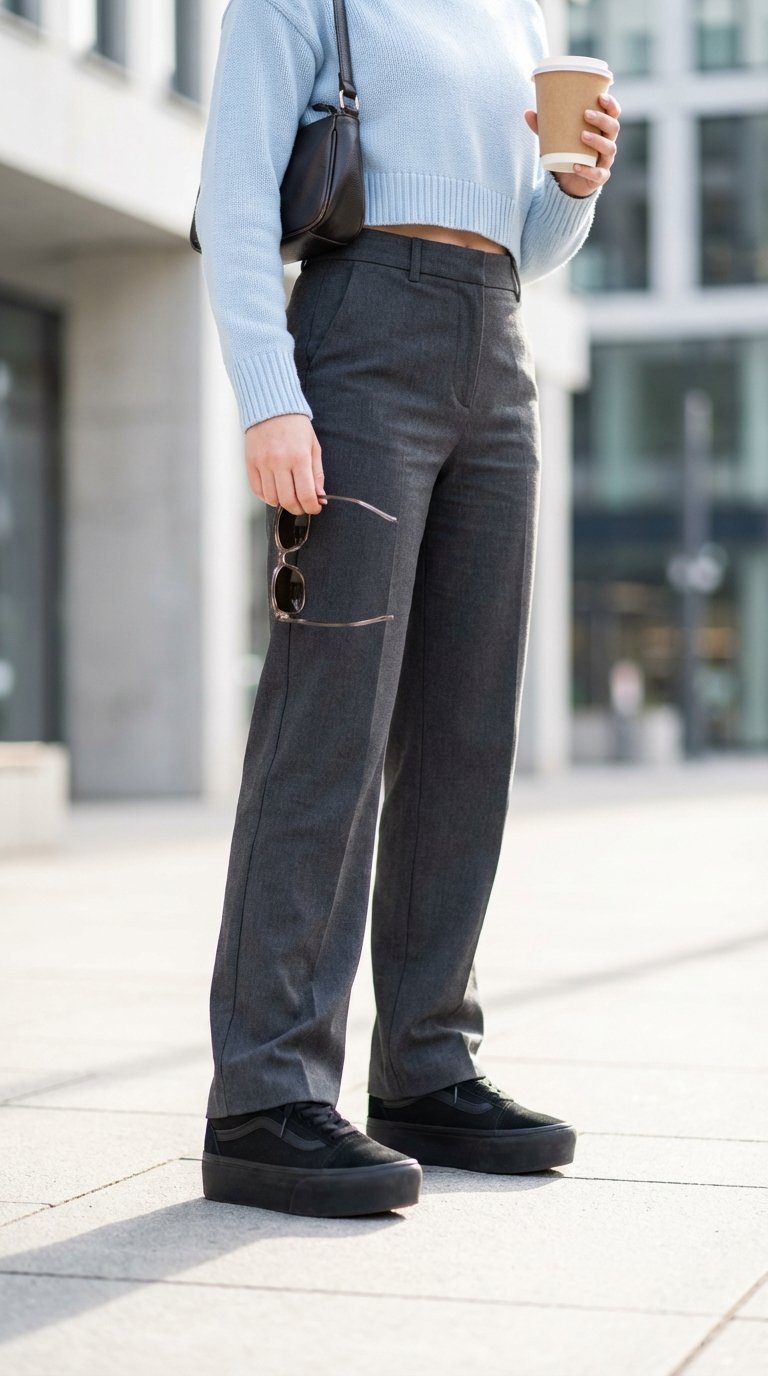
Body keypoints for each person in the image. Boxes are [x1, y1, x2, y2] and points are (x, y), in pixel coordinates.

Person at [194, 0, 621, 1218]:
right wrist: (270, 396)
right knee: (329, 717)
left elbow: (525, 237)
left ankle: (427, 1062)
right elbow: (234, 196)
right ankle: (265, 1093)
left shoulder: (520, 9)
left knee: (465, 728)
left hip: (496, 339)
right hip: (360, 333)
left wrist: (574, 187)